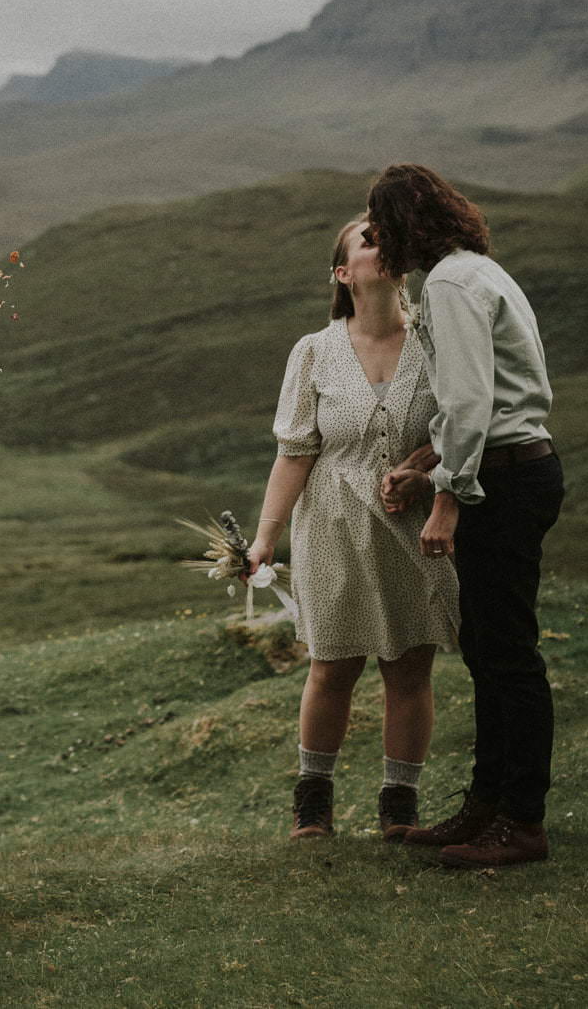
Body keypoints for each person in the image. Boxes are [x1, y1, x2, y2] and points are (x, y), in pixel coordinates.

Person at [372, 163, 562, 869]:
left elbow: (470, 403)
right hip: (516, 470)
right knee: (487, 647)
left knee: (507, 653)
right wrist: (425, 466)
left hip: (503, 482)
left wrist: (446, 497)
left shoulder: (448, 284)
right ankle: (485, 805)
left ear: (401, 225)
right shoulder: (478, 269)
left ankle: (522, 820)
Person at [247, 219, 459, 841]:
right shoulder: (314, 351)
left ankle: (400, 804)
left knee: (409, 667)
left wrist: (425, 469)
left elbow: (464, 428)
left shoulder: (438, 341)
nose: (382, 243)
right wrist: (264, 537)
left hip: (416, 525)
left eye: (388, 235)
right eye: (367, 240)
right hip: (331, 528)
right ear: (344, 274)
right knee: (332, 666)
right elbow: (294, 453)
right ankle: (313, 801)